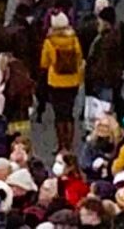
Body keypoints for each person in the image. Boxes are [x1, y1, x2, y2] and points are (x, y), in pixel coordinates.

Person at [40, 11, 84, 151]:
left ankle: (61, 146)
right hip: (73, 81)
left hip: (56, 82)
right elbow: (79, 58)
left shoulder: (49, 41)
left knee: (59, 115)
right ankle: (70, 146)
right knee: (69, 113)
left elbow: (44, 63)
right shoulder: (74, 39)